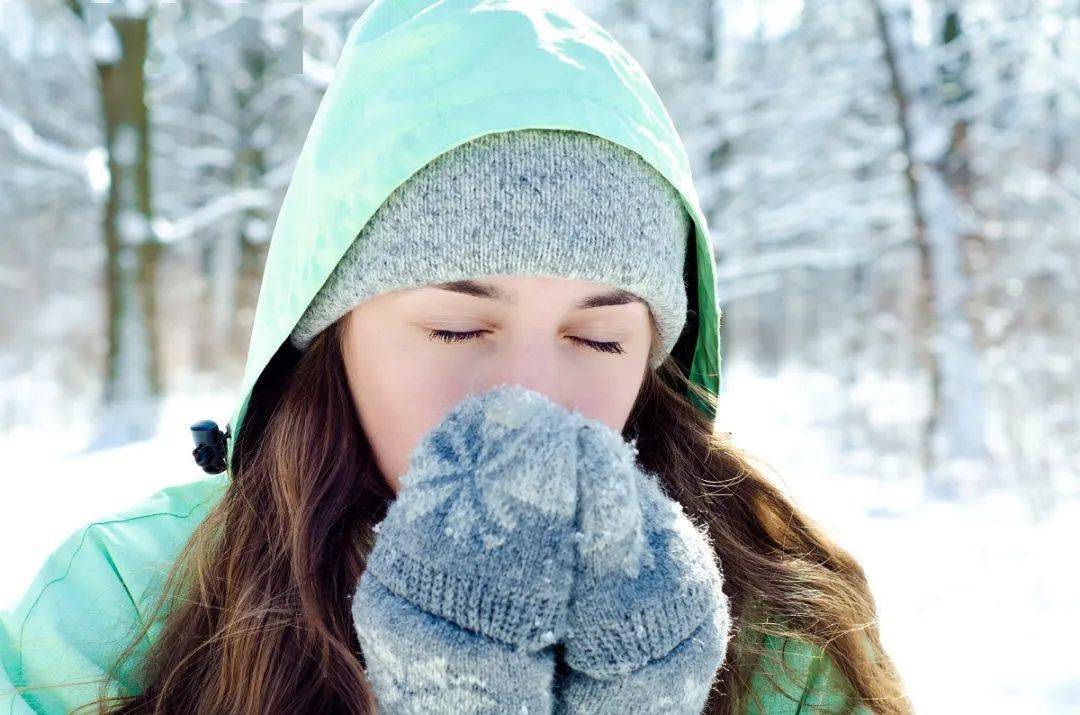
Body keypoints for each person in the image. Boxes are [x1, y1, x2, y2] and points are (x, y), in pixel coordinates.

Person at [0, 0, 912, 713]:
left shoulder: (780, 634)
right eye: (458, 329)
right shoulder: (121, 611)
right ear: (329, 336)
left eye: (598, 339)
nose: (531, 397)